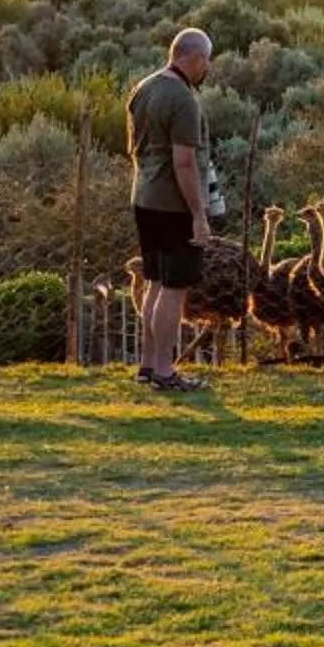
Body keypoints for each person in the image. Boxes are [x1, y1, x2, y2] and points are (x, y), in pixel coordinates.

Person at [126, 28, 217, 393]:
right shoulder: (182, 98)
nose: (206, 69)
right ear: (193, 58)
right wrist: (198, 214)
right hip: (173, 203)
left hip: (144, 196)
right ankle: (166, 370)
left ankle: (148, 364)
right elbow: (184, 163)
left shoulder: (144, 88)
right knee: (174, 287)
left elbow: (134, 147)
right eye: (206, 61)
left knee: (155, 282)